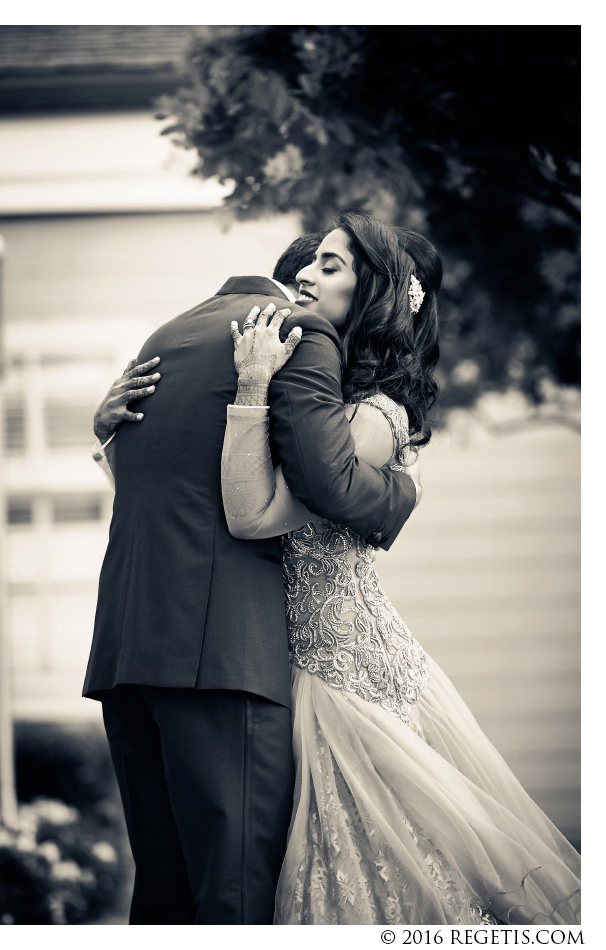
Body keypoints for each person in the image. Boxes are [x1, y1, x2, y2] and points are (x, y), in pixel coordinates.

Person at [219, 211, 581, 925]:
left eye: (331, 265)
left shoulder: (379, 416)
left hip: (344, 671)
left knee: (382, 870)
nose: (305, 274)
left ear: (377, 293)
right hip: (291, 661)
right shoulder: (317, 396)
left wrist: (252, 386)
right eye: (310, 261)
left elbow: (255, 516)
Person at [83, 228, 420, 924]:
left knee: (164, 898)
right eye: (318, 267)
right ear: (296, 282)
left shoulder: (166, 337)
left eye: (337, 268)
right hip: (221, 656)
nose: (317, 285)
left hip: (127, 651)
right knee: (236, 893)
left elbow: (165, 481)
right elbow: (326, 482)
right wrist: (399, 495)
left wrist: (102, 437)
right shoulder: (300, 332)